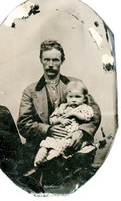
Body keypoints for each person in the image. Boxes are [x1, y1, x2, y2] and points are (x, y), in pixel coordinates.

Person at [17, 40, 101, 188]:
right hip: (44, 143)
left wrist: (82, 131)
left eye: (55, 60)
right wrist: (48, 129)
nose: (50, 64)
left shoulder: (75, 84)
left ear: (62, 60)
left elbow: (94, 111)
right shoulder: (30, 91)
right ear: (41, 60)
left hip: (73, 142)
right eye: (47, 59)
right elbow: (23, 123)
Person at [33, 80, 96, 167]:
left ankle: (47, 162)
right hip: (57, 135)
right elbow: (52, 119)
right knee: (45, 146)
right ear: (66, 97)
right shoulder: (62, 107)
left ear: (84, 98)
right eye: (71, 97)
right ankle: (37, 162)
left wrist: (74, 113)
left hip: (69, 136)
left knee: (56, 150)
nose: (74, 100)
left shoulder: (84, 108)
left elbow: (88, 117)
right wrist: (59, 120)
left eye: (77, 97)